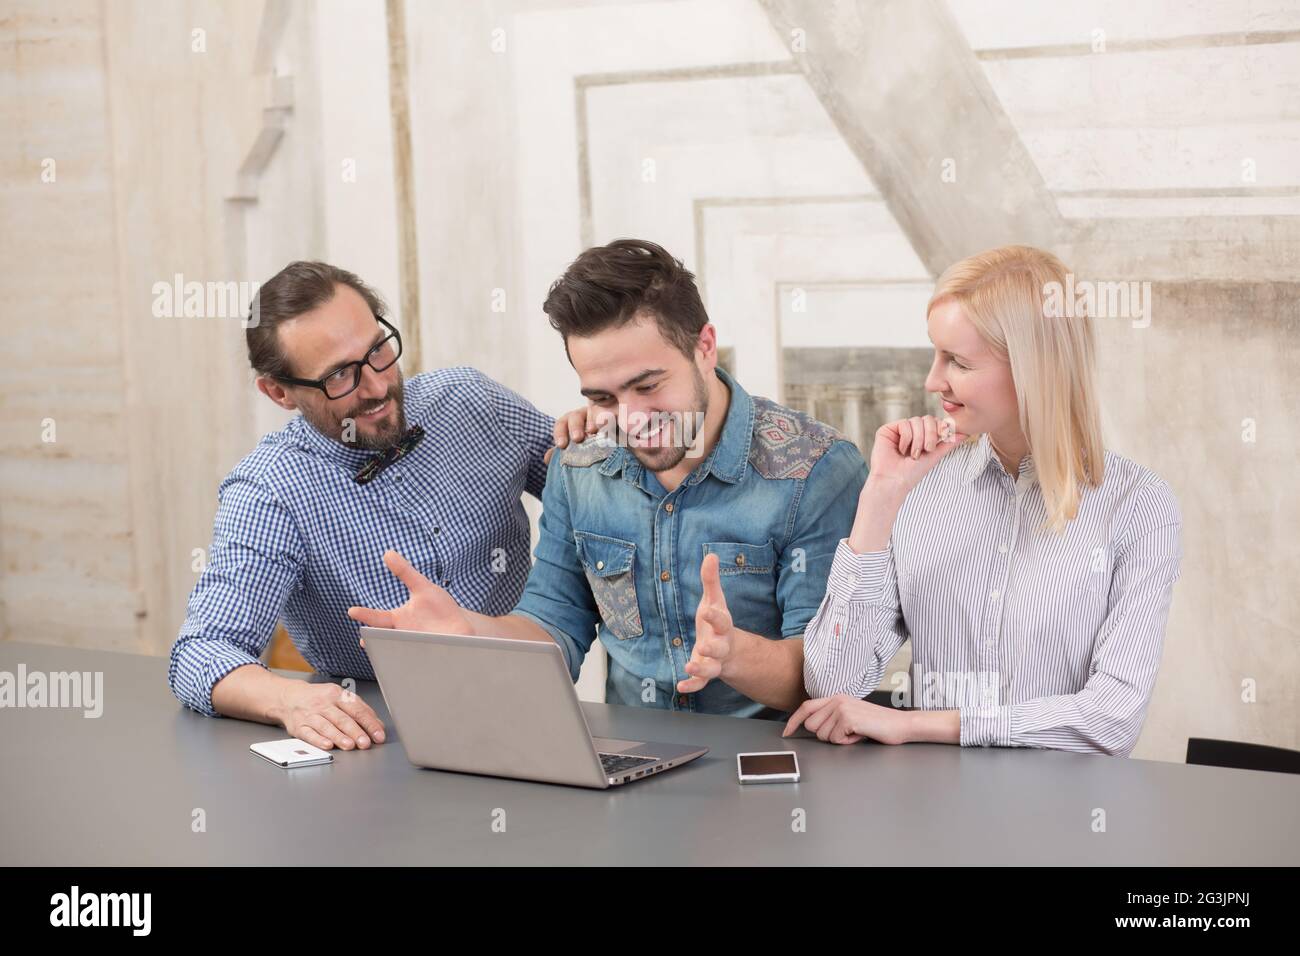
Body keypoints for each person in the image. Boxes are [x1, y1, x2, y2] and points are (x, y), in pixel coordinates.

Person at [684, 245, 1183, 756]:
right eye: (936, 353)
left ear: (1035, 371)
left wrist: (919, 724)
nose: (932, 381)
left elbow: (1111, 720)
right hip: (934, 810)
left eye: (959, 362)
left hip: (1069, 817)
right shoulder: (919, 489)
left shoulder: (1138, 508)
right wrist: (880, 498)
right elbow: (833, 682)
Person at [349, 239, 867, 719]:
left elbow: (824, 682)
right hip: (635, 765)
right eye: (602, 397)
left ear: (704, 347)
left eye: (648, 385)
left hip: (772, 771)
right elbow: (554, 623)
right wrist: (472, 631)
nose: (630, 418)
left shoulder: (816, 471)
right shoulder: (580, 467)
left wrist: (734, 655)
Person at [168, 260, 593, 750]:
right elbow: (201, 653)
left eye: (377, 352)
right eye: (339, 376)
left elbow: (593, 506)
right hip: (384, 743)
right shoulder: (270, 490)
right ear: (279, 392)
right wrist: (292, 701)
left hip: (540, 718)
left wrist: (597, 433)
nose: (375, 387)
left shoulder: (470, 401)